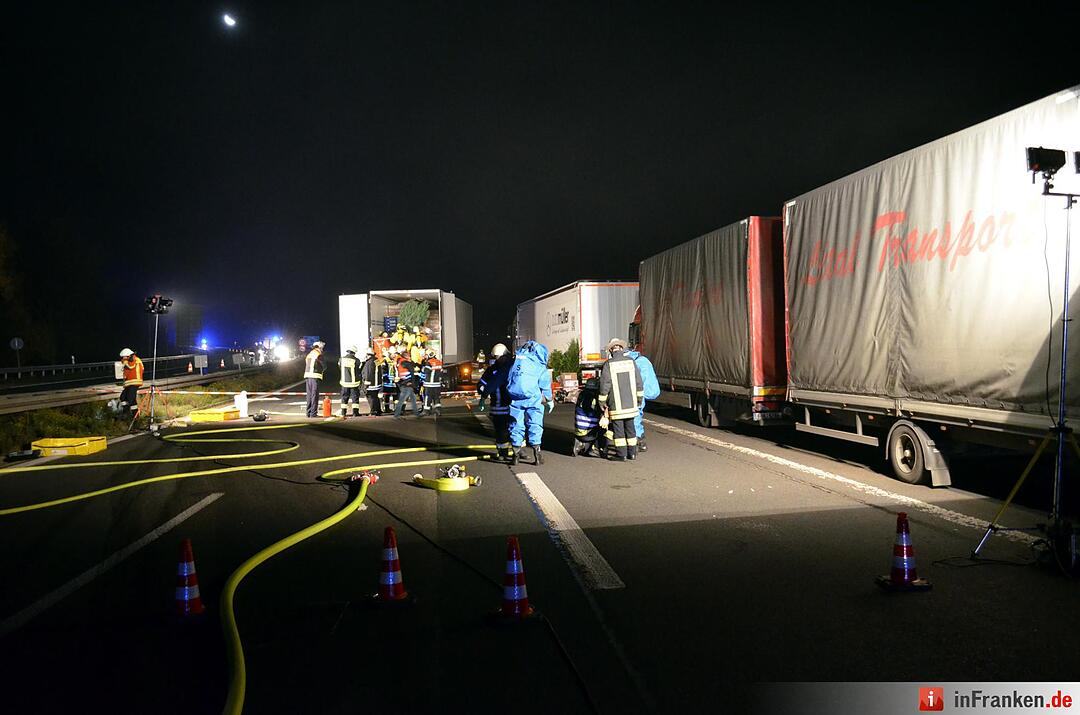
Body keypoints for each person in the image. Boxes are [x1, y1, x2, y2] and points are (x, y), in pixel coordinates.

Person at [507, 340, 552, 466]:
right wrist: (549, 400)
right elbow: (545, 385)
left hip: (516, 398)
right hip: (533, 398)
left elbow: (509, 378)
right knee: (535, 424)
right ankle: (537, 456)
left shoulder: (517, 360)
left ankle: (515, 456)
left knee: (516, 425)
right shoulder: (539, 364)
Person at [598, 338, 643, 461]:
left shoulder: (609, 364)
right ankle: (632, 453)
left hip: (616, 405)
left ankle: (621, 454)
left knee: (619, 431)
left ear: (611, 350)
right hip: (631, 404)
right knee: (630, 428)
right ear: (622, 349)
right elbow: (639, 382)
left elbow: (605, 385)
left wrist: (602, 401)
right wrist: (639, 399)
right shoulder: (631, 362)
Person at [477, 343, 514, 461]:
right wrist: (482, 390)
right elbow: (481, 384)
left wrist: (484, 394)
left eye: (499, 357)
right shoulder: (492, 370)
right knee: (501, 431)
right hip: (499, 407)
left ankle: (516, 451)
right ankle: (503, 452)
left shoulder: (511, 367)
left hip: (511, 406)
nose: (498, 359)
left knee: (512, 430)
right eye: (497, 357)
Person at [624, 347, 660, 452]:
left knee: (635, 415)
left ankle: (637, 439)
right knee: (638, 414)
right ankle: (640, 439)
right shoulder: (643, 360)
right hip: (643, 393)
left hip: (636, 393)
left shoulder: (633, 363)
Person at [572, 377, 606, 457]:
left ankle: (580, 443)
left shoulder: (581, 395)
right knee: (606, 427)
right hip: (588, 432)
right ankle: (595, 448)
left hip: (578, 431)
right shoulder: (594, 397)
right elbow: (598, 411)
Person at [394, 351, 422, 419]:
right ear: (406, 356)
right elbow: (412, 368)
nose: (410, 356)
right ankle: (397, 414)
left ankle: (416, 413)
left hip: (404, 382)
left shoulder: (401, 361)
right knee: (402, 399)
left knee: (413, 398)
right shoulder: (405, 362)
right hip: (406, 383)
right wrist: (413, 383)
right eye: (409, 355)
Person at [118, 348, 144, 415]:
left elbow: (131, 366)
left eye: (124, 357)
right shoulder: (131, 360)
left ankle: (135, 415)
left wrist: (125, 362)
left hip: (134, 382)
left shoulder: (134, 360)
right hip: (129, 382)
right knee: (123, 397)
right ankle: (126, 412)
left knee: (131, 399)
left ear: (128, 355)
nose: (123, 358)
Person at [304, 341, 326, 417]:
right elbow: (324, 366)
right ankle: (313, 413)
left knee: (309, 395)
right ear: (320, 347)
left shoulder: (310, 354)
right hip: (315, 376)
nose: (322, 349)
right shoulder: (318, 354)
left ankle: (308, 412)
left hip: (308, 376)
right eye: (322, 347)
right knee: (314, 395)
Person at [338, 346, 362, 417]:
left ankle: (343, 412)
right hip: (354, 383)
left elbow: (340, 368)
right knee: (355, 398)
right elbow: (358, 370)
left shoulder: (341, 359)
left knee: (344, 398)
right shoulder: (356, 360)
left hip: (344, 382)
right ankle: (355, 412)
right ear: (354, 352)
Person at [421, 349, 444, 415]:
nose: (426, 356)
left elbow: (426, 371)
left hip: (429, 384)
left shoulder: (429, 362)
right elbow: (441, 372)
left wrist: (422, 368)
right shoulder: (439, 362)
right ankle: (438, 410)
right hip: (437, 384)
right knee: (436, 397)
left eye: (426, 355)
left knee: (428, 397)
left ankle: (426, 411)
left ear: (429, 355)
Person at [361, 347, 382, 416]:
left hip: (371, 384)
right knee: (375, 397)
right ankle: (378, 410)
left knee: (371, 397)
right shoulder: (377, 360)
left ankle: (373, 411)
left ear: (368, 354)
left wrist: (366, 384)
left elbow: (368, 373)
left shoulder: (369, 362)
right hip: (377, 383)